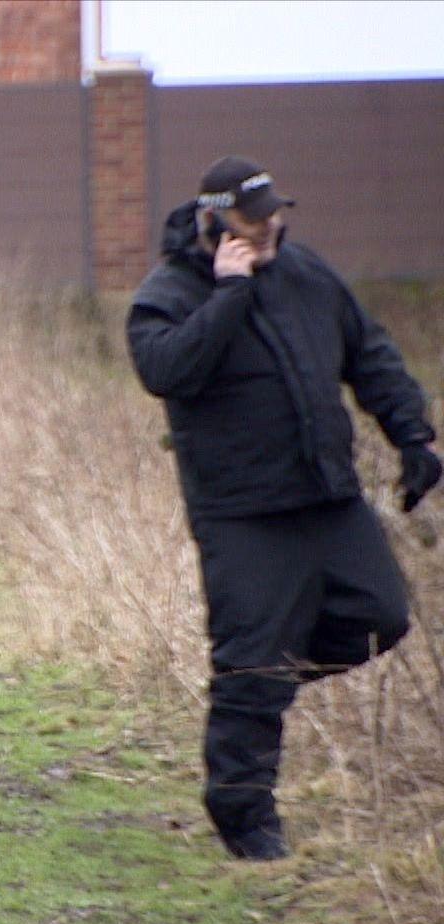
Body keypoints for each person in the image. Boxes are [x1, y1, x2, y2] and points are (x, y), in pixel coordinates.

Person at [128, 157, 441, 861]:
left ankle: (260, 691)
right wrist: (230, 295)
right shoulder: (168, 293)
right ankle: (245, 822)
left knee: (382, 617)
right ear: (213, 222)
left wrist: (413, 434)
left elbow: (371, 355)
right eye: (253, 217)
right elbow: (165, 371)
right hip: (241, 514)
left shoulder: (308, 274)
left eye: (275, 212)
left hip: (328, 496)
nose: (271, 226)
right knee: (248, 666)